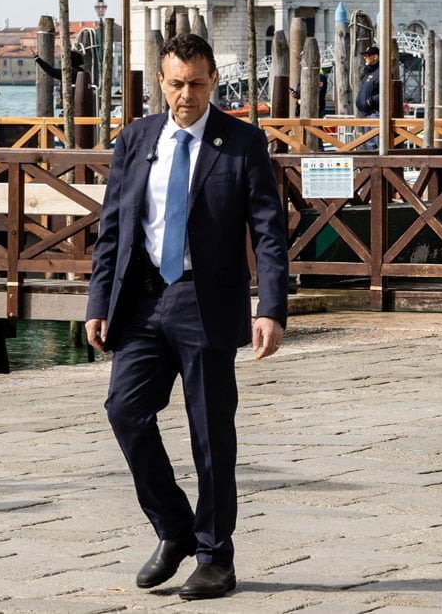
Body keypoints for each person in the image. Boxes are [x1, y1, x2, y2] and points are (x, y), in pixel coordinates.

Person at [84, 34, 289, 600]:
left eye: (197, 84)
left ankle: (215, 557)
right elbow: (112, 231)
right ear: (160, 82)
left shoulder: (242, 144)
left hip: (206, 302)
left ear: (213, 81)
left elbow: (269, 233)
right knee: (124, 412)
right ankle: (174, 528)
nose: (186, 95)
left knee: (210, 436)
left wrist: (270, 307)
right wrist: (98, 302)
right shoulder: (135, 139)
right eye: (176, 84)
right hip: (143, 302)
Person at [354, 46, 380, 117]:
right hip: (366, 114)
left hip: (375, 114)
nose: (365, 58)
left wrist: (370, 101)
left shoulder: (381, 72)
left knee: (376, 128)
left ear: (375, 56)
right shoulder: (368, 72)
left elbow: (386, 93)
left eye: (367, 56)